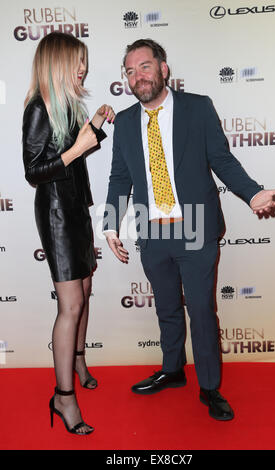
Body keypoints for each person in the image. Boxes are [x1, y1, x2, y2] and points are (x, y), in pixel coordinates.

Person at [103, 38, 275, 421]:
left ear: (163, 68)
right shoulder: (123, 122)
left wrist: (251, 194)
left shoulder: (198, 108)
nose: (138, 76)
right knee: (168, 309)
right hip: (152, 233)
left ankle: (209, 387)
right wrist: (110, 225)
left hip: (196, 227)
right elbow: (120, 177)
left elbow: (222, 159)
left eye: (145, 66)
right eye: (131, 71)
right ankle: (172, 371)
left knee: (201, 310)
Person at [23, 32, 115, 435]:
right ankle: (63, 396)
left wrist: (92, 125)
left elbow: (76, 155)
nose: (84, 68)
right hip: (57, 214)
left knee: (86, 290)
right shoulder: (39, 108)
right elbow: (34, 172)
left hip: (77, 209)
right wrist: (79, 147)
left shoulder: (68, 105)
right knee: (71, 305)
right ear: (58, 63)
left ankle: (78, 357)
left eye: (85, 62)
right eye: (79, 62)